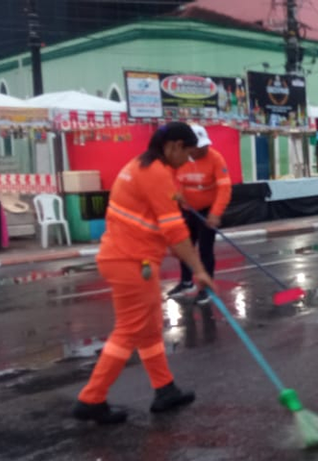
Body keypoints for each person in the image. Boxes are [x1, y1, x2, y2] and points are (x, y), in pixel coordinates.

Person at [72, 122, 216, 425]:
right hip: (131, 262)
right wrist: (199, 269)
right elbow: (175, 232)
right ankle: (92, 398)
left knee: (149, 330)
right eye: (187, 153)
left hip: (127, 258)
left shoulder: (140, 164)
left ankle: (165, 389)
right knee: (127, 331)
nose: (188, 160)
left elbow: (150, 204)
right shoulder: (155, 173)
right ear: (174, 146)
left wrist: (174, 198)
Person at [167, 124, 233, 308]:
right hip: (187, 209)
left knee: (205, 250)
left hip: (207, 210)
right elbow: (170, 178)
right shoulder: (180, 159)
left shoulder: (215, 159)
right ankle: (186, 283)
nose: (203, 149)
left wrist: (215, 213)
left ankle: (207, 288)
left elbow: (224, 188)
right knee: (184, 246)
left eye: (205, 145)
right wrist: (176, 193)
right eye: (198, 147)